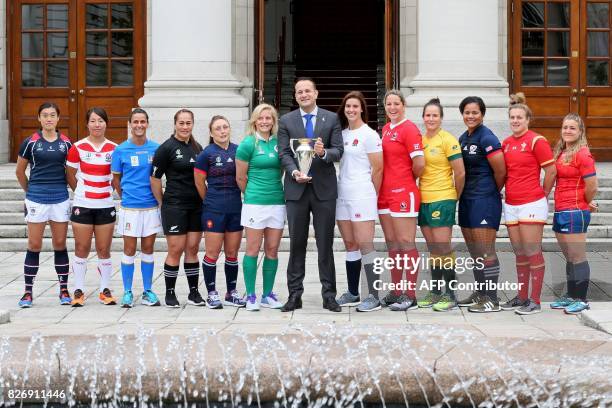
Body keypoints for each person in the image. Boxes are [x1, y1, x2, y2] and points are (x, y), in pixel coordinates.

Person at [277, 77, 344, 312]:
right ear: (295, 96)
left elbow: (339, 151)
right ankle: (295, 294)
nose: (303, 94)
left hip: (324, 190)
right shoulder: (286, 120)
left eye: (307, 91)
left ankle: (329, 295)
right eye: (299, 92)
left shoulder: (331, 118)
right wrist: (293, 171)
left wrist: (324, 152)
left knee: (325, 244)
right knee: (296, 244)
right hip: (296, 190)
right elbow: (284, 152)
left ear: (316, 93)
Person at [500, 93, 556, 315]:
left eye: (519, 118)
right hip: (511, 204)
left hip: (531, 203)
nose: (515, 121)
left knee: (532, 251)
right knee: (519, 252)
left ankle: (535, 300)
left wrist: (543, 193)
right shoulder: (505, 143)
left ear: (527, 120)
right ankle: (522, 297)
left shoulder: (536, 140)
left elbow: (551, 170)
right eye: (512, 117)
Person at [15, 102, 72, 308]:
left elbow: (71, 172)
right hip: (36, 198)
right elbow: (20, 171)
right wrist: (30, 191)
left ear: (58, 119)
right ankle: (28, 292)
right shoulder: (30, 142)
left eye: (52, 115)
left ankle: (64, 289)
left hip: (60, 198)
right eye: (45, 115)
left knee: (59, 244)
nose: (49, 119)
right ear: (39, 118)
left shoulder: (66, 143)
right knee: (34, 245)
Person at [333, 91, 383, 312]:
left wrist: (372, 194)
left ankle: (374, 295)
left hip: (362, 194)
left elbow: (378, 168)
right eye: (348, 106)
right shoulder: (341, 134)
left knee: (365, 245)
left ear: (362, 109)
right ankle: (353, 292)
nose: (351, 110)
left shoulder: (369, 134)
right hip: (342, 193)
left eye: (355, 106)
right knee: (350, 245)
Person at [456, 96, 506, 313]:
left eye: (475, 112)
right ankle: (481, 292)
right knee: (475, 252)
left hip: (484, 199)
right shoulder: (463, 137)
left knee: (486, 251)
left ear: (482, 114)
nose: (471, 116)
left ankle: (492, 299)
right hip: (467, 199)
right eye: (467, 112)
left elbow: (501, 171)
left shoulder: (487, 137)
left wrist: (489, 192)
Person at [151, 109, 204, 308]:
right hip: (174, 206)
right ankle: (170, 293)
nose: (185, 127)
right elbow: (155, 178)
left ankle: (193, 292)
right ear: (175, 124)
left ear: (192, 124)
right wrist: (162, 202)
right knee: (176, 249)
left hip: (196, 206)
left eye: (188, 123)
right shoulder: (166, 148)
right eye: (181, 123)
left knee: (192, 248)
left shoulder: (198, 147)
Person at [377, 89, 424, 312]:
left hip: (403, 192)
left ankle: (411, 294)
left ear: (404, 105)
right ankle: (396, 290)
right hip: (385, 193)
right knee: (392, 244)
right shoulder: (386, 129)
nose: (392, 107)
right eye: (389, 104)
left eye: (396, 103)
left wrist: (407, 180)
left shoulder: (410, 129)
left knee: (406, 242)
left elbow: (420, 164)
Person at [416, 98, 465, 312]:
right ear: (423, 117)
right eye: (428, 115)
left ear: (441, 118)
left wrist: (454, 196)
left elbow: (460, 172)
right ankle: (435, 292)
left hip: (443, 197)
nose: (431, 119)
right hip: (423, 199)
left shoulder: (448, 139)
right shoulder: (420, 140)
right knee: (432, 249)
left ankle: (450, 294)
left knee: (442, 247)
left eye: (435, 115)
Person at [66, 107, 117, 307]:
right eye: (93, 121)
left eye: (101, 121)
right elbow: (70, 174)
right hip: (83, 204)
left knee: (104, 249)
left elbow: (116, 177)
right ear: (87, 124)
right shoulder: (77, 147)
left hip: (105, 204)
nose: (97, 125)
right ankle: (78, 289)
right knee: (81, 247)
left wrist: (107, 192)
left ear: (106, 123)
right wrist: (81, 193)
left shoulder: (114, 148)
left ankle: (105, 289)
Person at [236, 104, 285, 311]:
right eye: (261, 118)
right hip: (255, 203)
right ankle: (252, 296)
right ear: (254, 121)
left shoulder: (279, 143)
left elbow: (282, 170)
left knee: (272, 249)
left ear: (274, 121)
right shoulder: (247, 144)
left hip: (277, 201)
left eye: (269, 118)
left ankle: (267, 294)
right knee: (253, 249)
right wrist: (253, 194)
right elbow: (240, 177)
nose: (265, 121)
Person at [111, 108, 161, 308]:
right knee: (129, 249)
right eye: (135, 122)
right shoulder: (121, 150)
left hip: (150, 208)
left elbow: (158, 177)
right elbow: (116, 179)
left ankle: (148, 290)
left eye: (143, 121)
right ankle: (128, 292)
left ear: (147, 124)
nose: (139, 125)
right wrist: (127, 197)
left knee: (148, 249)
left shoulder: (156, 149)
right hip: (130, 208)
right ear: (130, 124)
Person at [194, 115, 245, 309]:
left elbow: (243, 177)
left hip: (235, 208)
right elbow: (199, 182)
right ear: (211, 132)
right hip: (214, 209)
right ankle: (212, 293)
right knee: (212, 253)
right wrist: (210, 200)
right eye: (218, 128)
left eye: (225, 127)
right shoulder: (205, 154)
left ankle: (231, 293)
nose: (222, 131)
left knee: (232, 253)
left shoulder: (238, 150)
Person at [550, 114, 597, 314]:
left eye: (572, 128)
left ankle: (581, 299)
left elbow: (592, 186)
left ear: (580, 132)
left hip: (575, 211)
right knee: (569, 256)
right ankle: (570, 295)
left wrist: (585, 202)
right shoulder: (561, 152)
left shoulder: (583, 154)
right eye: (565, 127)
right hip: (561, 209)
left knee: (578, 256)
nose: (568, 131)